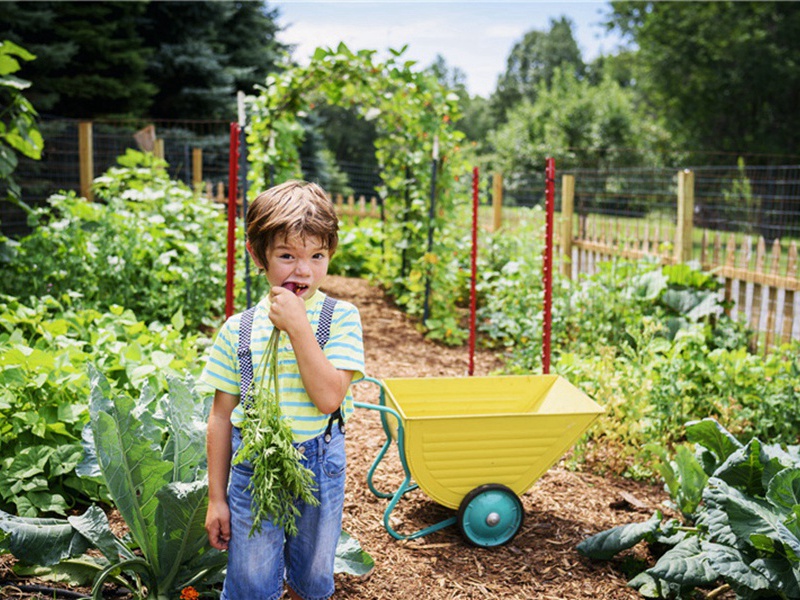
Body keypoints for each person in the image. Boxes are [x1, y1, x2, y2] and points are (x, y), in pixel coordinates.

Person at [199, 180, 365, 600]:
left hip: (318, 462)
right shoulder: (237, 330)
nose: (303, 270)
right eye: (287, 255)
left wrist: (298, 326)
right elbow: (220, 417)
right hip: (253, 463)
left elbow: (329, 398)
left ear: (331, 254)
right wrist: (215, 499)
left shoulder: (341, 318)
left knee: (312, 574)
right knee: (250, 576)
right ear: (258, 255)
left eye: (317, 256)